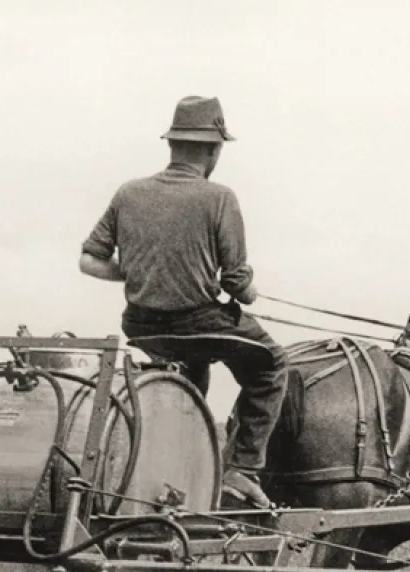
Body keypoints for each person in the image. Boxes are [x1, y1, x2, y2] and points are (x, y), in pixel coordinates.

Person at [79, 95, 287, 508]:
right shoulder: (218, 198)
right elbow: (236, 280)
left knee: (193, 371)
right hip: (200, 324)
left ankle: (175, 460)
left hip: (143, 327)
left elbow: (89, 260)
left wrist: (137, 268)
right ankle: (242, 470)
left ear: (172, 145)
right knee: (271, 364)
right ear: (213, 150)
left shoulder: (128, 192)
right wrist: (249, 291)